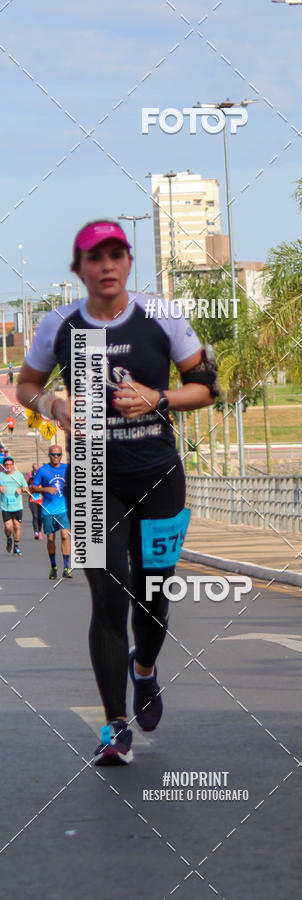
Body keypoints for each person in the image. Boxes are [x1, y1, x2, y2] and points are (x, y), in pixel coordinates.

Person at [18, 219, 218, 766]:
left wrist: (159, 398)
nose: (106, 265)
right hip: (91, 479)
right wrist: (53, 406)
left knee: (153, 596)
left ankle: (145, 669)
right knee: (107, 599)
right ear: (78, 269)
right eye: (94, 257)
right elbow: (27, 386)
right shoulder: (58, 325)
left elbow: (209, 387)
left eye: (115, 254)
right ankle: (113, 726)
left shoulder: (162, 318)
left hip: (157, 476)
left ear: (129, 263)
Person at [31, 445, 71, 577]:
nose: (56, 457)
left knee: (65, 536)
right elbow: (33, 488)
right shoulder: (43, 470)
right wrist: (46, 489)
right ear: (49, 455)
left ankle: (66, 568)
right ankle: (53, 566)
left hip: (63, 508)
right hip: (48, 510)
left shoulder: (67, 468)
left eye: (58, 454)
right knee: (51, 538)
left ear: (62, 455)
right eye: (53, 454)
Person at [0, 455, 27, 555]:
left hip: (17, 506)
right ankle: (9, 538)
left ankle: (16, 545)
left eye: (10, 465)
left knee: (17, 525)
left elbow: (25, 487)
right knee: (8, 527)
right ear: (3, 466)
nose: (8, 466)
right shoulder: (1, 475)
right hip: (5, 506)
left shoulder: (19, 475)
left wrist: (22, 489)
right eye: (6, 465)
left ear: (13, 465)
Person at [27, 463, 43, 539]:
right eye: (33, 478)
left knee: (40, 517)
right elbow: (27, 488)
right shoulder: (30, 482)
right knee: (35, 516)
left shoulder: (42, 482)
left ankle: (39, 531)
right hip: (32, 500)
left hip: (41, 501)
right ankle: (35, 532)